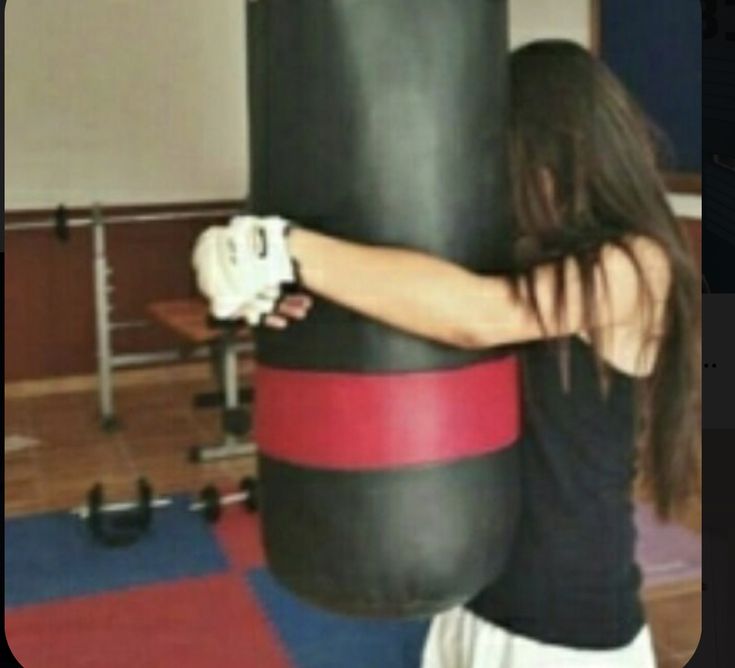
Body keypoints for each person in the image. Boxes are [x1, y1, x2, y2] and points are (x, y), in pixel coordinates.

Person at [193, 40, 700, 667]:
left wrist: (282, 247)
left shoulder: (639, 265)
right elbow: (424, 301)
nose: (499, 185)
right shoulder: (513, 252)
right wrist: (286, 297)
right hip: (467, 597)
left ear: (568, 155)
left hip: (567, 630)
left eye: (511, 163)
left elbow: (480, 317)